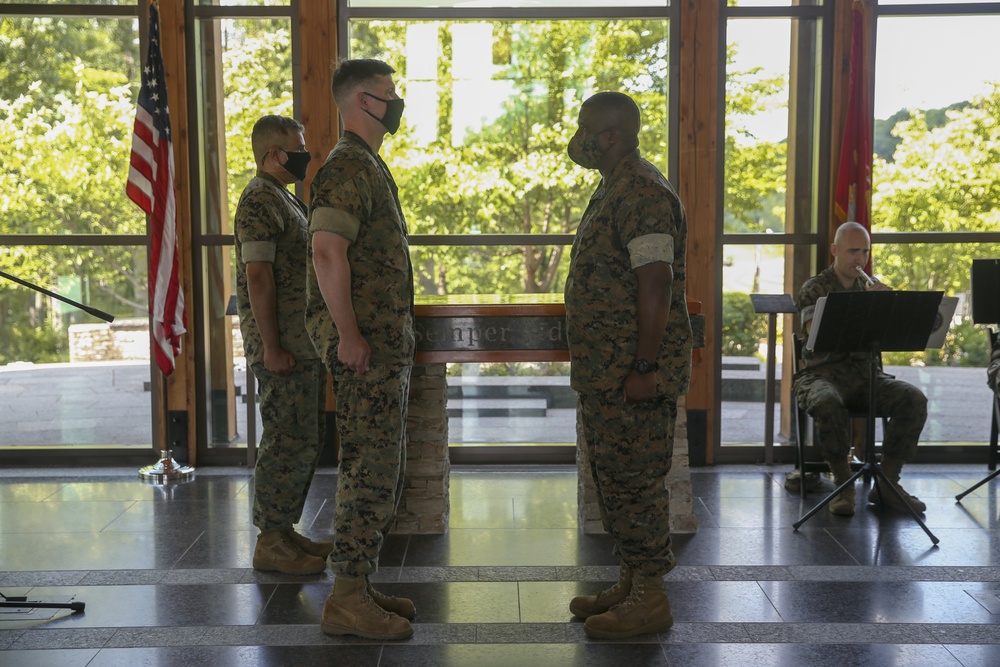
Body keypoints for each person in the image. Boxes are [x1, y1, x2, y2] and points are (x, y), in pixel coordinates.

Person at [563, 91, 692, 640]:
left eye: (585, 127)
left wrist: (644, 365)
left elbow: (655, 282)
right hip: (606, 373)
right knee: (615, 481)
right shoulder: (614, 185)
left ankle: (650, 599)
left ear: (611, 135)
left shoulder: (641, 190)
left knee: (637, 483)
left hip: (630, 373)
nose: (578, 137)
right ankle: (631, 581)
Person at [304, 59, 416, 641]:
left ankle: (360, 582)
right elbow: (327, 252)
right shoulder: (347, 165)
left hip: (378, 346)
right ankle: (347, 597)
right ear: (359, 103)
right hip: (363, 349)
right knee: (368, 469)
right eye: (388, 95)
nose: (397, 103)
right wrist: (349, 335)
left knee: (381, 466)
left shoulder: (367, 164)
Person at [234, 115, 331, 576]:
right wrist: (271, 346)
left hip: (301, 342)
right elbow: (258, 276)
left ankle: (284, 530)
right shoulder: (259, 199)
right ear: (274, 153)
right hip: (282, 346)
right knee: (285, 439)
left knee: (303, 438)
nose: (305, 156)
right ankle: (270, 539)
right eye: (298, 147)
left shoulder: (281, 198)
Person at [793, 220, 928, 516]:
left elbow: (888, 337)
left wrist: (889, 308)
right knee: (827, 402)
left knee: (913, 398)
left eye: (864, 252)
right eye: (853, 251)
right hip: (820, 374)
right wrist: (863, 306)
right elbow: (814, 331)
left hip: (866, 376)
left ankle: (888, 483)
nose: (859, 259)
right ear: (834, 251)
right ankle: (843, 483)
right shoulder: (814, 288)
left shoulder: (871, 286)